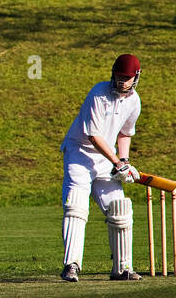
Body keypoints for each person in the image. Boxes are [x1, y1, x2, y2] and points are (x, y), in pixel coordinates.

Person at [60, 54, 145, 282]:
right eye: (119, 76)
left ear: (136, 77)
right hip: (80, 152)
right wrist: (117, 162)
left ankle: (122, 268)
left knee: (120, 209)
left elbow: (125, 133)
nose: (122, 81)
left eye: (127, 78)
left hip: (106, 160)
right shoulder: (98, 93)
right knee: (76, 207)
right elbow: (94, 135)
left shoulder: (134, 102)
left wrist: (124, 162)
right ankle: (72, 265)